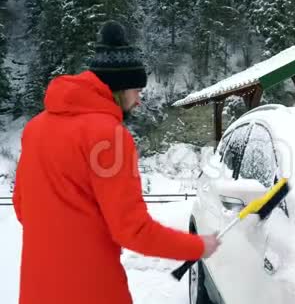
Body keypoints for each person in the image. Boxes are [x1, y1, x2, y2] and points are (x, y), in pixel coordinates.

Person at [12, 20, 220, 304]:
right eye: (137, 91)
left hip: (37, 289)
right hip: (92, 289)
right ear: (118, 89)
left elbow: (22, 207)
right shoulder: (109, 136)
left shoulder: (35, 128)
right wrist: (197, 246)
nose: (139, 101)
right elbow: (133, 230)